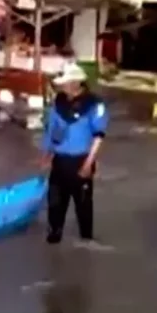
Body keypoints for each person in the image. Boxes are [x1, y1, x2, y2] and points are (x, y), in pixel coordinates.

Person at [40, 62, 107, 245]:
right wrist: (47, 154)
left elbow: (98, 136)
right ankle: (54, 241)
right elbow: (53, 131)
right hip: (60, 162)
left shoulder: (94, 105)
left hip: (81, 161)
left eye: (66, 83)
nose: (62, 87)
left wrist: (88, 164)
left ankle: (86, 242)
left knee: (83, 208)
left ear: (76, 83)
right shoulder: (59, 104)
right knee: (55, 205)